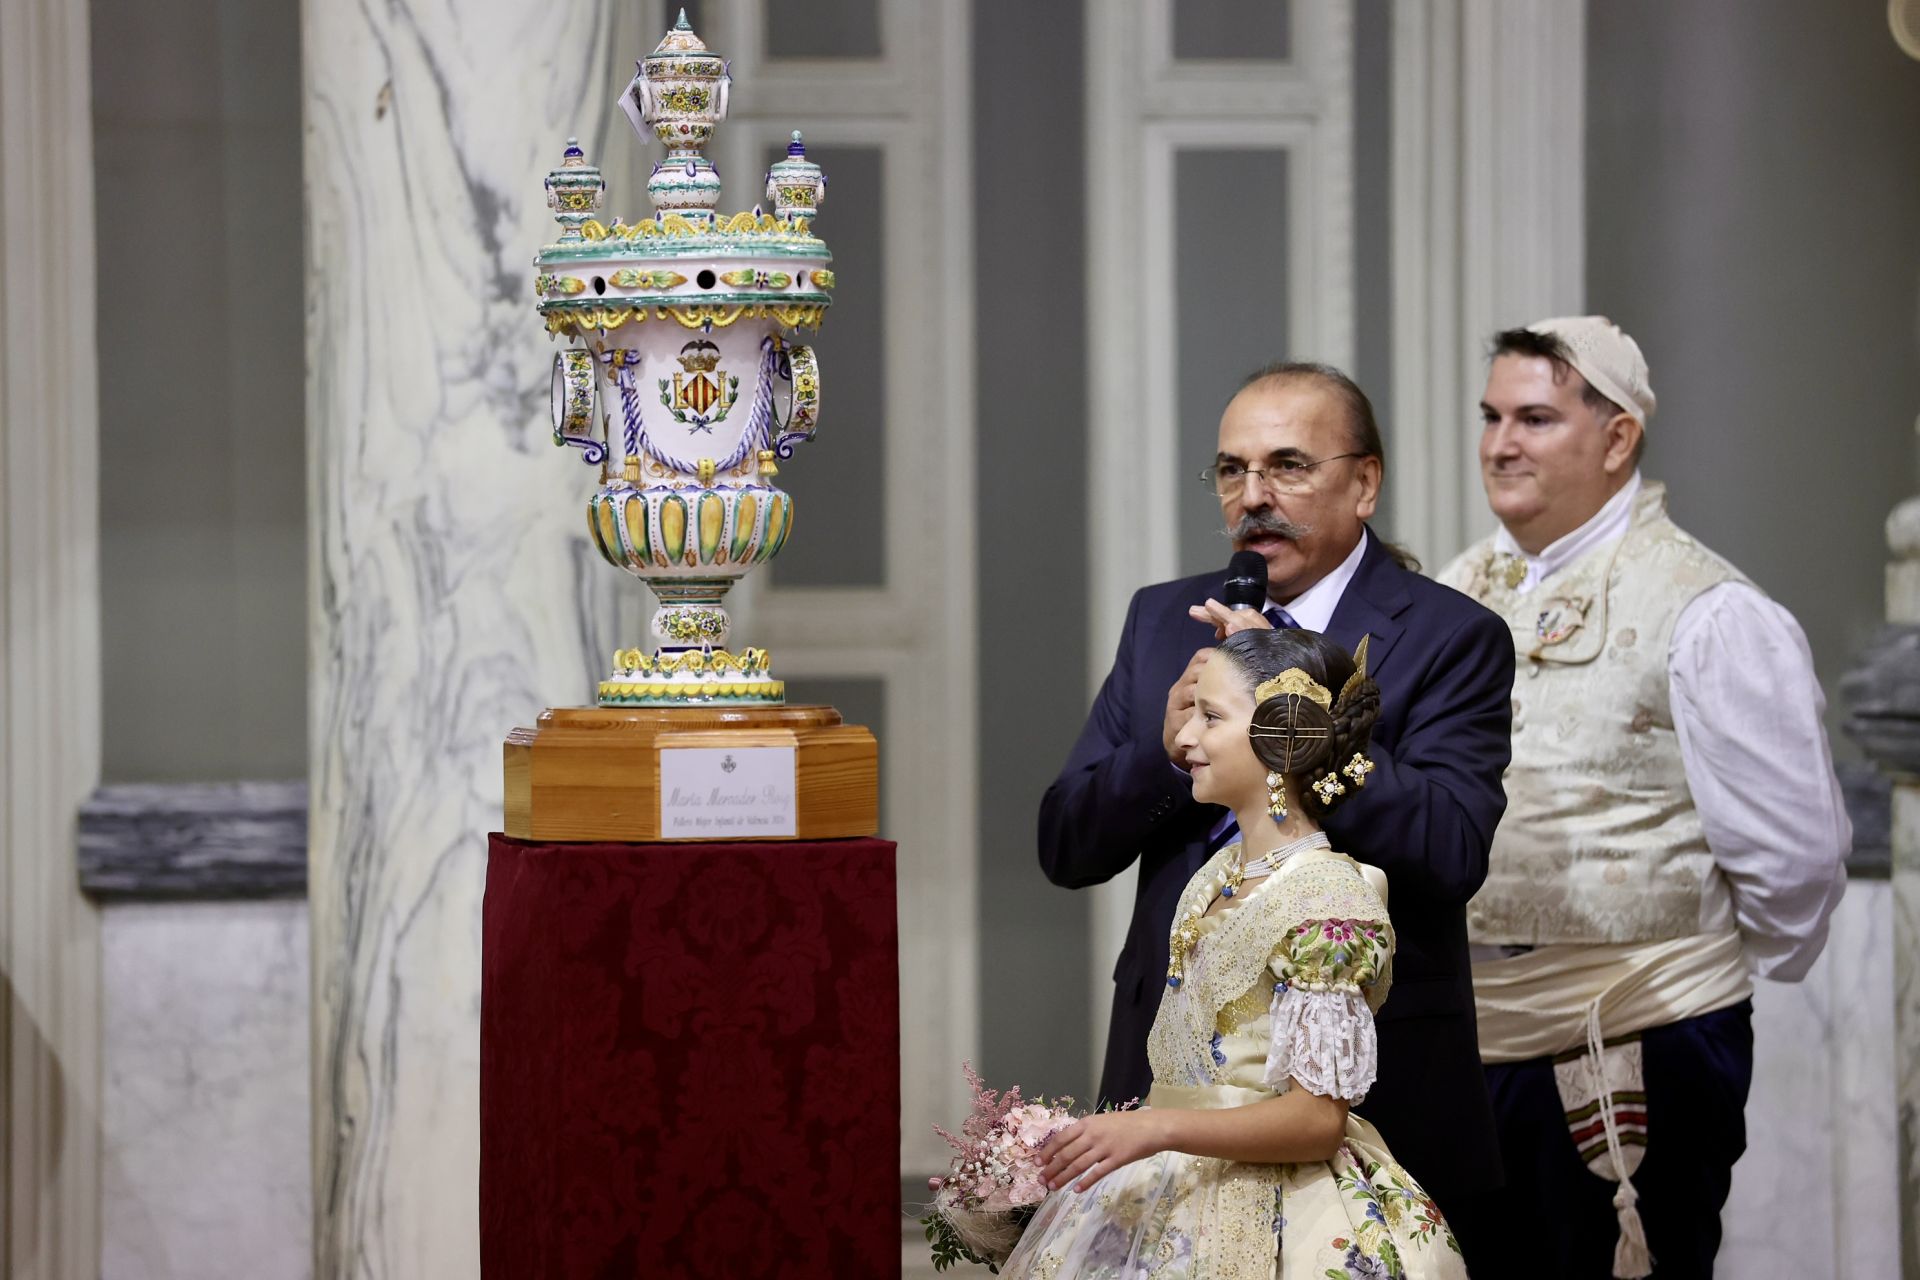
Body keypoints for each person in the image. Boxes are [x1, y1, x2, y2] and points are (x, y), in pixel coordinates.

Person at [1039, 362, 1513, 1217]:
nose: (1252, 495)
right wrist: (1172, 744)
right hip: (1170, 1088)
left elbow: (1449, 853)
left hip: (1374, 1096)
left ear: (1364, 482)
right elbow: (1066, 845)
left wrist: (1291, 719)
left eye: (1288, 466)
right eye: (1232, 470)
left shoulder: (1452, 635)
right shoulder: (1163, 619)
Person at [1437, 317, 1850, 1279]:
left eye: (1536, 418)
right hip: (1469, 1049)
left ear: (1617, 436)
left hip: (1633, 1043)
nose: (1501, 444)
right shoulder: (1458, 589)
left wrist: (1684, 986)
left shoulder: (1710, 611)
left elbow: (1795, 859)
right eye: (1492, 416)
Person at [1005, 629, 1466, 1278]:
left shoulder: (1327, 899)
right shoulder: (1216, 875)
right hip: (1170, 1179)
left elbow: (1316, 1120)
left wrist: (1154, 1129)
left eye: (1210, 716)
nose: (1184, 737)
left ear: (1284, 737)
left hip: (1272, 1199)